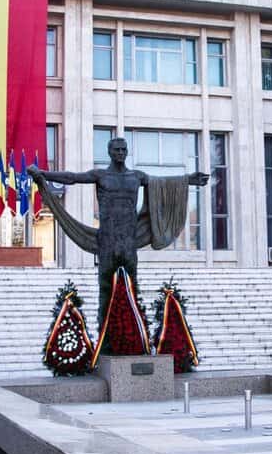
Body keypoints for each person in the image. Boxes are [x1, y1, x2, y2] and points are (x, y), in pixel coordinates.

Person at [28, 137, 209, 327]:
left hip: (129, 238)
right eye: (117, 150)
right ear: (110, 152)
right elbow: (72, 177)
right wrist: (43, 174)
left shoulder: (136, 176)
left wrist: (188, 180)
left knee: (131, 285)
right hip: (107, 238)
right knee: (106, 286)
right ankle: (106, 334)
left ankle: (134, 332)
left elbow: (161, 183)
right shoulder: (100, 175)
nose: (121, 153)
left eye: (124, 149)